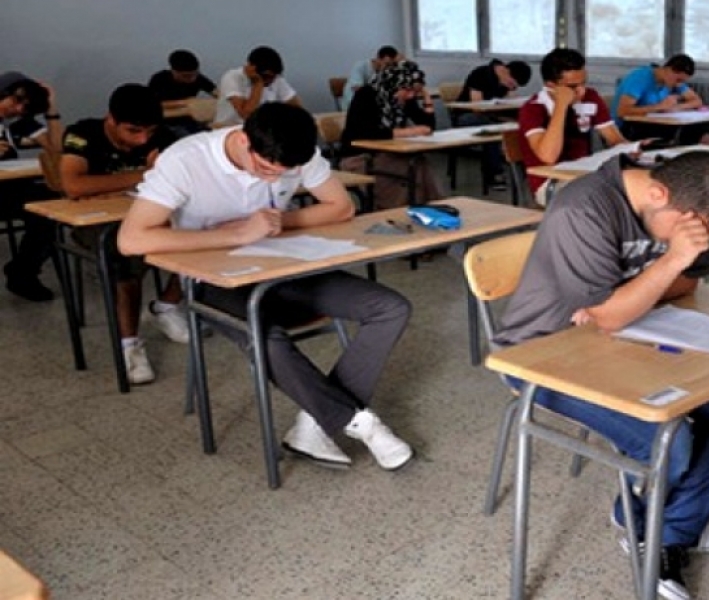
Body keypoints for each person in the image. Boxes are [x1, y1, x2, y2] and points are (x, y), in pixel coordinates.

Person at [493, 151, 709, 600]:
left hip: (631, 341)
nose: (695, 242)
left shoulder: (688, 208)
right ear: (658, 194)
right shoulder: (584, 209)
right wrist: (666, 265)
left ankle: (667, 531)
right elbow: (613, 315)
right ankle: (648, 526)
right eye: (693, 234)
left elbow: (683, 287)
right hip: (541, 356)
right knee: (670, 440)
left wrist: (630, 298)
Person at [118, 103, 414, 472]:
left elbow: (341, 207)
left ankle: (315, 423)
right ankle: (357, 422)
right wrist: (237, 234)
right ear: (244, 141)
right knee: (265, 336)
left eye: (284, 174)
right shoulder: (185, 160)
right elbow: (131, 239)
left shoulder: (296, 147)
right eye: (265, 170)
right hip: (212, 279)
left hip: (282, 264)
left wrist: (278, 222)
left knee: (390, 308)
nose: (274, 181)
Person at [58, 84, 183, 385]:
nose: (143, 140)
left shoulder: (164, 136)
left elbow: (182, 180)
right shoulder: (83, 133)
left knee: (203, 234)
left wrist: (106, 186)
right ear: (111, 119)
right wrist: (145, 174)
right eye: (133, 131)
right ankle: (129, 345)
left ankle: (166, 306)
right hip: (94, 223)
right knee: (124, 254)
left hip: (146, 215)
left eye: (149, 132)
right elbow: (73, 186)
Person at [519, 48, 631, 204]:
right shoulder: (533, 109)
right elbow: (548, 156)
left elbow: (614, 138)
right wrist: (561, 105)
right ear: (551, 86)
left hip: (586, 174)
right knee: (605, 199)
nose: (581, 91)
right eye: (572, 87)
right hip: (551, 182)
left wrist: (632, 148)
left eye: (583, 83)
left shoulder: (590, 96)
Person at [338, 61, 442, 209]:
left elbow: (428, 127)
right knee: (411, 167)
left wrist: (427, 99)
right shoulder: (366, 95)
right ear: (395, 84)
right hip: (360, 156)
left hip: (389, 153)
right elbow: (362, 133)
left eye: (415, 92)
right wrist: (406, 132)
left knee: (419, 163)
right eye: (408, 90)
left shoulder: (403, 98)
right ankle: (398, 210)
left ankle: (432, 207)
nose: (411, 95)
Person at [0, 75, 62, 301]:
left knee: (50, 205)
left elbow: (56, 148)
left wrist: (51, 110)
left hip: (10, 189)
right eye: (16, 100)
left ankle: (22, 272)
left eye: (25, 107)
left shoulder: (18, 123)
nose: (17, 109)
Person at [455, 59, 533, 190]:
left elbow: (510, 102)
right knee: (492, 130)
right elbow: (477, 107)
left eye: (514, 86)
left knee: (522, 125)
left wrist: (511, 115)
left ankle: (526, 169)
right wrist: (499, 116)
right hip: (467, 116)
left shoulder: (506, 83)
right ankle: (494, 174)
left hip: (492, 116)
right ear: (506, 71)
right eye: (511, 83)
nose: (511, 87)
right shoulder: (480, 74)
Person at [614, 54, 709, 146]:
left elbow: (696, 101)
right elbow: (622, 111)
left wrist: (675, 107)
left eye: (682, 81)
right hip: (628, 127)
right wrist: (660, 107)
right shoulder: (640, 78)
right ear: (668, 70)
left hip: (654, 123)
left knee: (703, 132)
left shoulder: (672, 80)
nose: (679, 84)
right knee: (682, 137)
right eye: (678, 80)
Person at [215, 46, 301, 127]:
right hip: (231, 128)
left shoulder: (275, 79)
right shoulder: (232, 77)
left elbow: (296, 108)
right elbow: (247, 115)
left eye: (274, 77)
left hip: (262, 130)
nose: (271, 81)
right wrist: (258, 84)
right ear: (251, 68)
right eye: (267, 76)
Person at [147, 49, 218, 137]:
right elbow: (152, 105)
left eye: (195, 74)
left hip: (189, 120)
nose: (192, 79)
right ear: (174, 71)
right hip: (166, 121)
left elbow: (218, 93)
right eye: (186, 76)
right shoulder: (160, 79)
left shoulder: (198, 78)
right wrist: (187, 103)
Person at [341, 45, 400, 111]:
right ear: (378, 58)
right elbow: (357, 89)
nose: (388, 67)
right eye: (387, 64)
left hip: (374, 106)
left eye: (391, 64)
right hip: (354, 106)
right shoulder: (361, 66)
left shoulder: (387, 71)